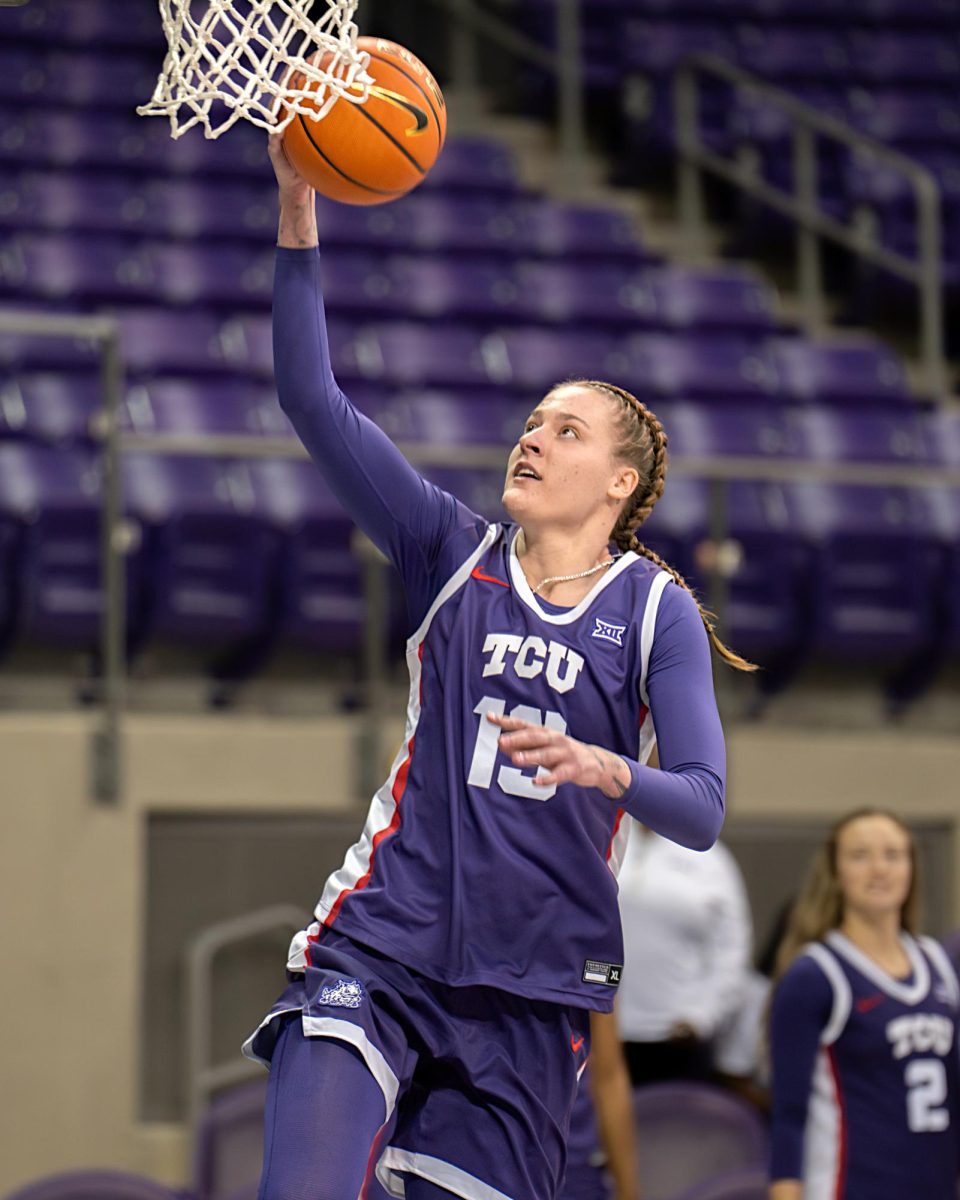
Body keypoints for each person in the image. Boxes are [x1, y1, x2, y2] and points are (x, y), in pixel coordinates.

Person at [243, 134, 753, 1200]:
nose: (532, 440)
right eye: (529, 424)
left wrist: (603, 765)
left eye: (564, 431)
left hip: (532, 993)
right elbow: (311, 399)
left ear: (618, 480)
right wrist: (301, 209)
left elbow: (702, 809)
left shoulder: (654, 611)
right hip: (384, 946)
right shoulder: (449, 551)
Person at [768, 809, 960, 1200]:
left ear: (911, 867)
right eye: (860, 856)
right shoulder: (815, 975)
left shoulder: (939, 963)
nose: (879, 869)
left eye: (893, 855)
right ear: (835, 872)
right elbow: (788, 1117)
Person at [615, 817, 753, 1087]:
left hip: (680, 1040)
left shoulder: (710, 858)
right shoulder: (605, 842)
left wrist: (702, 1017)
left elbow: (732, 950)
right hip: (605, 1034)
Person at [561, 1012, 641, 1200]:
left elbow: (608, 1074)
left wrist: (628, 1191)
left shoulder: (595, 985)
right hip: (496, 1162)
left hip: (575, 1165)